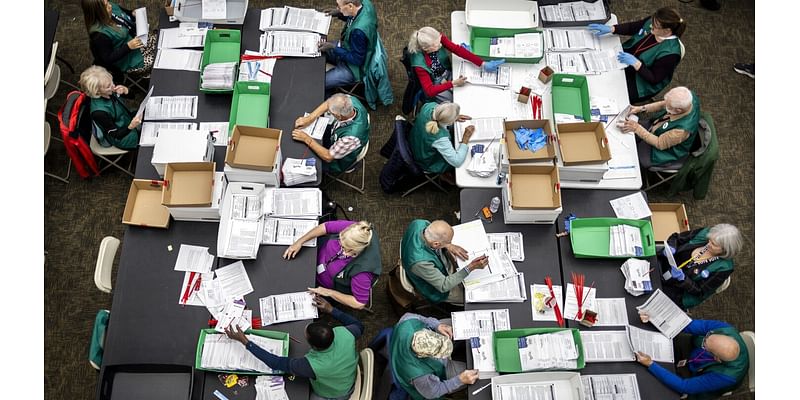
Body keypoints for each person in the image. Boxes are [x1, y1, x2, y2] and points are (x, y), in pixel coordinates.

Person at [225, 296, 362, 400]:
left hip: (335, 393)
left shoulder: (311, 366)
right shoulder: (346, 333)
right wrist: (331, 309)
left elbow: (275, 363)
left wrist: (245, 342)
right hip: (346, 376)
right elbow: (358, 324)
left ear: (313, 346)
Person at [635, 315, 749, 399]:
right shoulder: (725, 329)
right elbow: (688, 325)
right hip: (691, 352)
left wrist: (651, 364)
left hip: (697, 375)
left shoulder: (727, 376)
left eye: (705, 346)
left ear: (717, 358)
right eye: (707, 337)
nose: (703, 341)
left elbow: (685, 386)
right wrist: (657, 318)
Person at [588, 7, 686, 103]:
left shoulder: (671, 54)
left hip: (640, 82)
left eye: (655, 26)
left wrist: (636, 63)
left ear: (667, 31)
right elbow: (633, 27)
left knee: (608, 92)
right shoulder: (655, 21)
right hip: (627, 60)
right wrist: (612, 29)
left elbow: (654, 79)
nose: (651, 26)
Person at [283, 220, 381, 310]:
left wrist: (329, 292)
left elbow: (359, 303)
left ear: (357, 249)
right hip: (315, 258)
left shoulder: (362, 272)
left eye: (347, 249)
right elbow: (325, 227)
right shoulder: (355, 230)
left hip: (323, 286)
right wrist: (300, 241)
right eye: (341, 244)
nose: (342, 251)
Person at [390, 313, 479, 399]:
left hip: (403, 348)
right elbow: (433, 392)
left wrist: (437, 325)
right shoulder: (419, 376)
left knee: (463, 323)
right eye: (440, 353)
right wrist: (459, 380)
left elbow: (419, 318)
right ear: (423, 355)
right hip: (438, 370)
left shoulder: (407, 321)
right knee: (476, 373)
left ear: (425, 331)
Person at [407, 26, 505, 103]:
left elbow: (457, 50)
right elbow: (429, 90)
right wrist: (453, 83)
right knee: (455, 102)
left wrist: (482, 63)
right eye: (437, 45)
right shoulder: (419, 64)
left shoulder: (436, 38)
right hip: (435, 82)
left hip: (446, 71)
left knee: (469, 89)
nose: (441, 45)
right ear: (426, 49)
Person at [401, 219, 488, 304]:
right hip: (438, 289)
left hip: (436, 264)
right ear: (436, 244)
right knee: (474, 296)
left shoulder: (419, 223)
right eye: (448, 242)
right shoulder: (420, 262)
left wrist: (449, 246)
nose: (451, 243)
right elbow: (443, 286)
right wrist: (470, 267)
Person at [659, 224, 743, 310]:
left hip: (679, 290)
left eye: (714, 244)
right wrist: (672, 247)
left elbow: (700, 291)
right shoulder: (707, 233)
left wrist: (683, 279)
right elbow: (676, 237)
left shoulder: (724, 268)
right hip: (664, 264)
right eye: (710, 240)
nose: (709, 244)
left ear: (725, 249)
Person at [620, 86, 700, 169]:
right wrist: (641, 108)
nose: (666, 106)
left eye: (668, 107)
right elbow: (663, 104)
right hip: (658, 127)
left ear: (678, 110)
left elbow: (659, 143)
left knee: (634, 157)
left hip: (663, 150)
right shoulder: (688, 97)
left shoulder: (681, 131)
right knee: (629, 130)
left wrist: (637, 129)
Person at [293, 94, 370, 174]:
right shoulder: (349, 100)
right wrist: (309, 118)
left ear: (339, 116)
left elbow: (328, 156)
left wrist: (306, 139)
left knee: (303, 164)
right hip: (336, 135)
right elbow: (328, 103)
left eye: (331, 112)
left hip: (336, 161)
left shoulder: (351, 137)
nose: (328, 111)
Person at [81, 0, 156, 76]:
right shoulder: (99, 35)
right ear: (98, 12)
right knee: (157, 61)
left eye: (108, 2)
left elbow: (124, 14)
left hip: (134, 40)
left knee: (160, 42)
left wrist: (131, 13)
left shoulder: (110, 8)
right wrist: (128, 47)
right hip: (127, 59)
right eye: (106, 6)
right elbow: (108, 59)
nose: (110, 6)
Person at [320, 0, 378, 94]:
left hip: (352, 68)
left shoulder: (358, 32)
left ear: (350, 6)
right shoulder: (365, 3)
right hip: (348, 47)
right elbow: (352, 18)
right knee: (318, 48)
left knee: (320, 83)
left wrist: (334, 48)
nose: (337, 8)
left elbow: (356, 60)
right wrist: (339, 13)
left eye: (339, 6)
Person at [79, 65, 140, 150]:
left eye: (111, 81)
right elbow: (116, 135)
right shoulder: (99, 113)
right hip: (124, 136)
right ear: (97, 92)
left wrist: (126, 91)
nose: (113, 85)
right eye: (108, 86)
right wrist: (131, 126)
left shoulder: (109, 89)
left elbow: (133, 96)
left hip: (128, 119)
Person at [409, 102, 473, 175]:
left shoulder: (429, 106)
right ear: (449, 123)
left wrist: (452, 116)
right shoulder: (439, 137)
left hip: (416, 143)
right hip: (427, 161)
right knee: (466, 161)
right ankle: (445, 175)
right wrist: (465, 139)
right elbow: (457, 162)